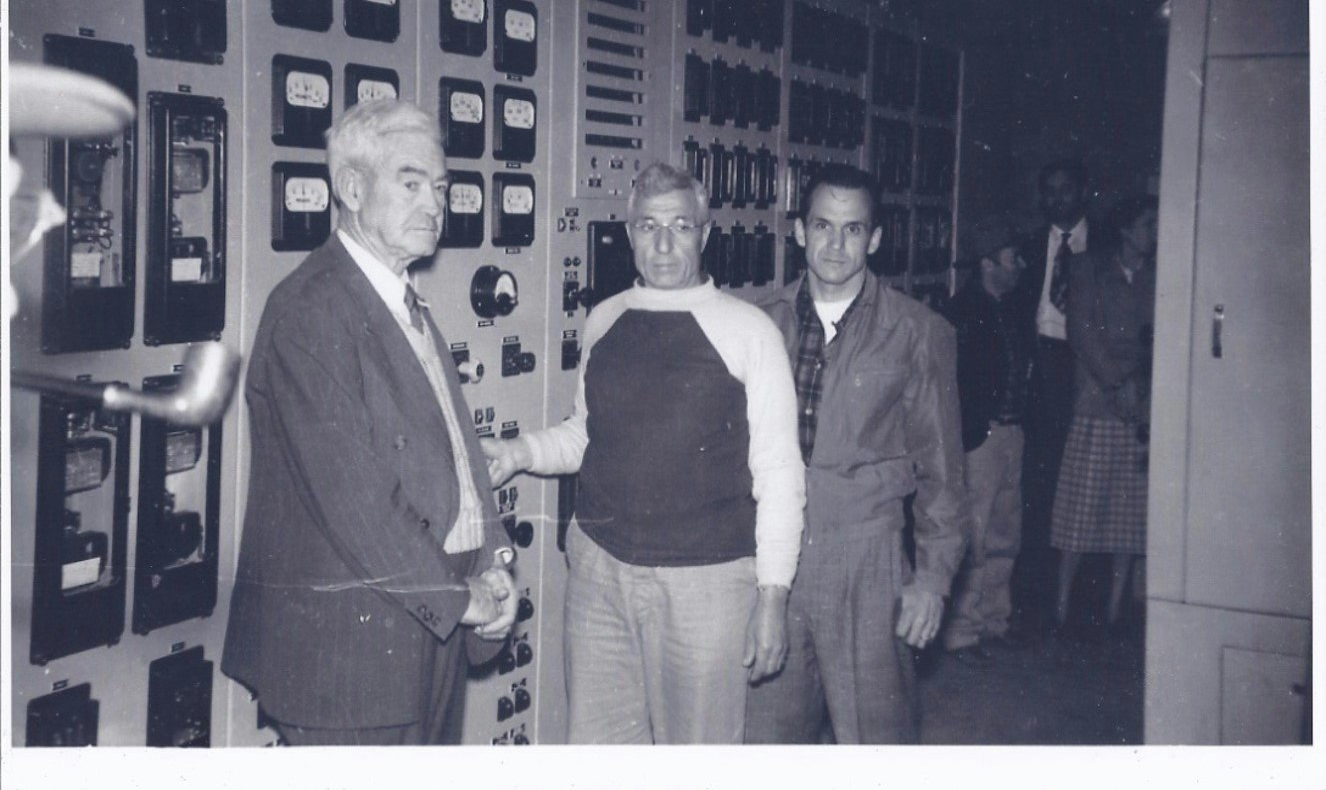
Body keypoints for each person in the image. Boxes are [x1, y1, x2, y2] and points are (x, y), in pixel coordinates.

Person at [222, 99, 516, 746]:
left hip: (428, 627)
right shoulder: (311, 310)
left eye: (439, 188)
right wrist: (462, 598)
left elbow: (459, 458)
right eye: (411, 183)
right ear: (352, 188)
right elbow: (356, 502)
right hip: (349, 662)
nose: (434, 205)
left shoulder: (403, 300)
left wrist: (495, 564)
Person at [483, 162, 804, 744]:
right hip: (599, 575)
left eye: (680, 226)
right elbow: (585, 434)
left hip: (705, 586)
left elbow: (779, 474)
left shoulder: (750, 331)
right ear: (629, 234)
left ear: (704, 236)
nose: (662, 243)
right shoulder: (604, 319)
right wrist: (517, 451)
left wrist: (774, 594)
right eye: (648, 226)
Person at [744, 165, 967, 744]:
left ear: (874, 239)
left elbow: (943, 472)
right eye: (822, 226)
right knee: (767, 740)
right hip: (777, 559)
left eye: (852, 229)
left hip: (870, 563)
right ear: (798, 231)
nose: (835, 244)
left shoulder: (917, 332)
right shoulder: (763, 325)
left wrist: (934, 581)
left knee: (876, 743)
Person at [1050, 195, 1158, 635]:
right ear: (1128, 229)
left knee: (1129, 518)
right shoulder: (1087, 267)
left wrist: (1140, 385)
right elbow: (1082, 333)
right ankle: (1058, 610)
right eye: (1150, 223)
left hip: (1141, 408)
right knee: (1081, 513)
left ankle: (1115, 614)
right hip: (1097, 403)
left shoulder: (1160, 273)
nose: (1156, 231)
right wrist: (1117, 382)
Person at [941, 215, 1033, 662]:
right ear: (988, 263)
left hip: (1013, 433)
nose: (1021, 265)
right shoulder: (960, 313)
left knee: (1005, 533)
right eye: (1014, 258)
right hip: (982, 439)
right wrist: (970, 437)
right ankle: (962, 632)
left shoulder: (1015, 309)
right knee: (973, 536)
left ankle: (996, 619)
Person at [1013, 157, 1095, 632]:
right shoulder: (1029, 243)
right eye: (1050, 191)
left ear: (1083, 191)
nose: (1057, 199)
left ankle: (1077, 592)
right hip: (1037, 359)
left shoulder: (1101, 242)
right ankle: (1034, 590)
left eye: (1066, 189)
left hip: (1081, 362)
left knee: (1079, 475)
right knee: (1037, 477)